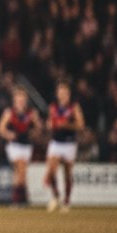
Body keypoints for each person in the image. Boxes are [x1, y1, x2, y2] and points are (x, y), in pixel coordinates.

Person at [0, 87, 42, 208]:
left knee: (20, 173)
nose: (20, 101)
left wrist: (34, 133)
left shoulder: (31, 113)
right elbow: (1, 128)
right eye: (18, 98)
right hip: (14, 146)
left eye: (22, 98)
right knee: (21, 167)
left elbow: (38, 128)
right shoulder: (9, 113)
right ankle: (18, 199)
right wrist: (8, 134)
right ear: (14, 100)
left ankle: (22, 199)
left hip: (26, 145)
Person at [44, 81, 85, 213]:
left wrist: (67, 125)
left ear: (69, 94)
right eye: (60, 93)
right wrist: (50, 125)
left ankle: (66, 201)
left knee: (67, 173)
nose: (62, 96)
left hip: (69, 143)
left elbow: (80, 125)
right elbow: (50, 122)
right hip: (56, 142)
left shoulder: (74, 107)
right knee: (51, 170)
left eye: (65, 93)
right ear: (57, 94)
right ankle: (56, 196)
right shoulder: (53, 107)